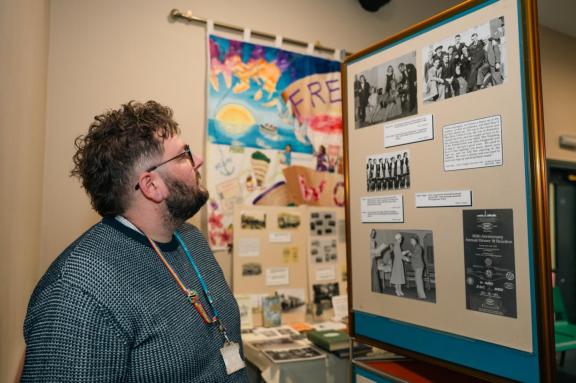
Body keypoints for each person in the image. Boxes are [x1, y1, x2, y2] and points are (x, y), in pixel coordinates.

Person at [21, 101, 248, 382]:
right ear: (152, 185)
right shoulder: (78, 293)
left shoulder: (192, 240)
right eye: (183, 155)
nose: (197, 159)